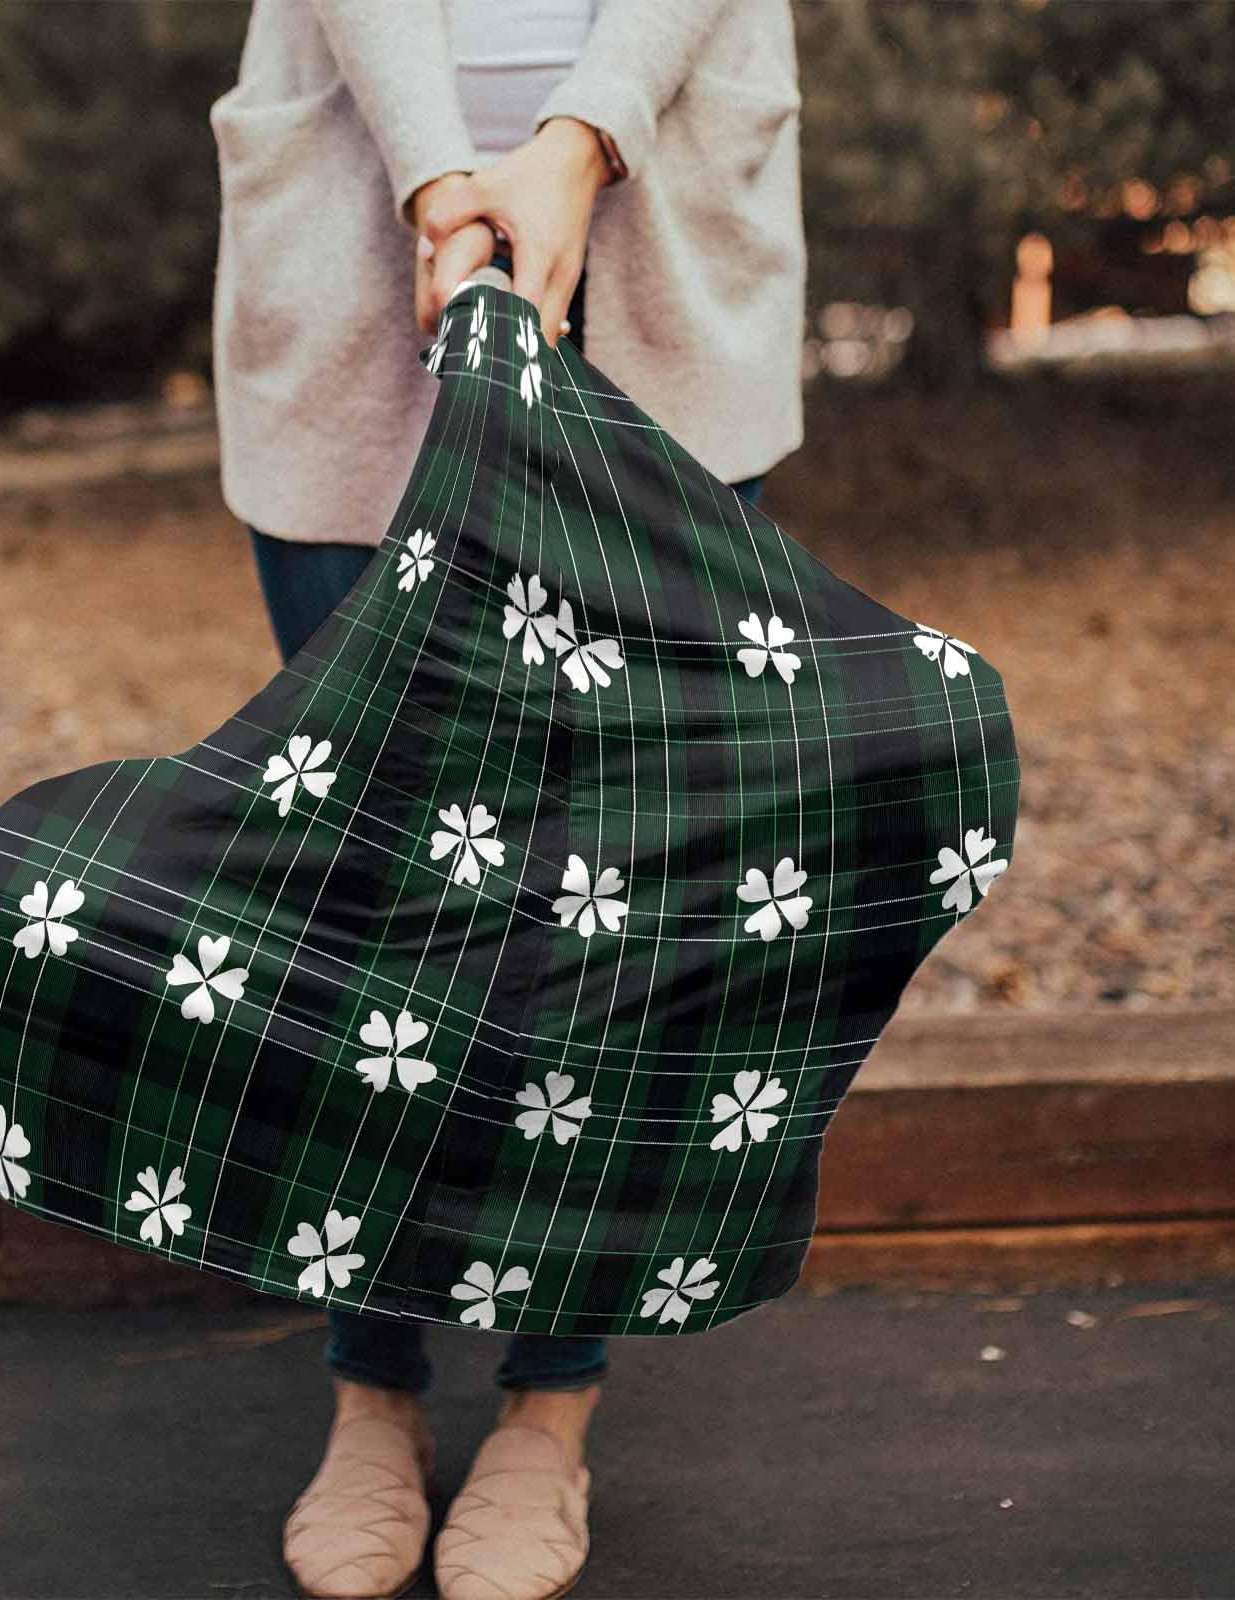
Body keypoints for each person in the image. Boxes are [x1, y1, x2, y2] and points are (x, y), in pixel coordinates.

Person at [208, 4, 805, 1595]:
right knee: (372, 882)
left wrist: (578, 138)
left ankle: (550, 1405)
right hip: (358, 229)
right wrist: (436, 177)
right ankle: (373, 1385)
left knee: (610, 896)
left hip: (662, 229)